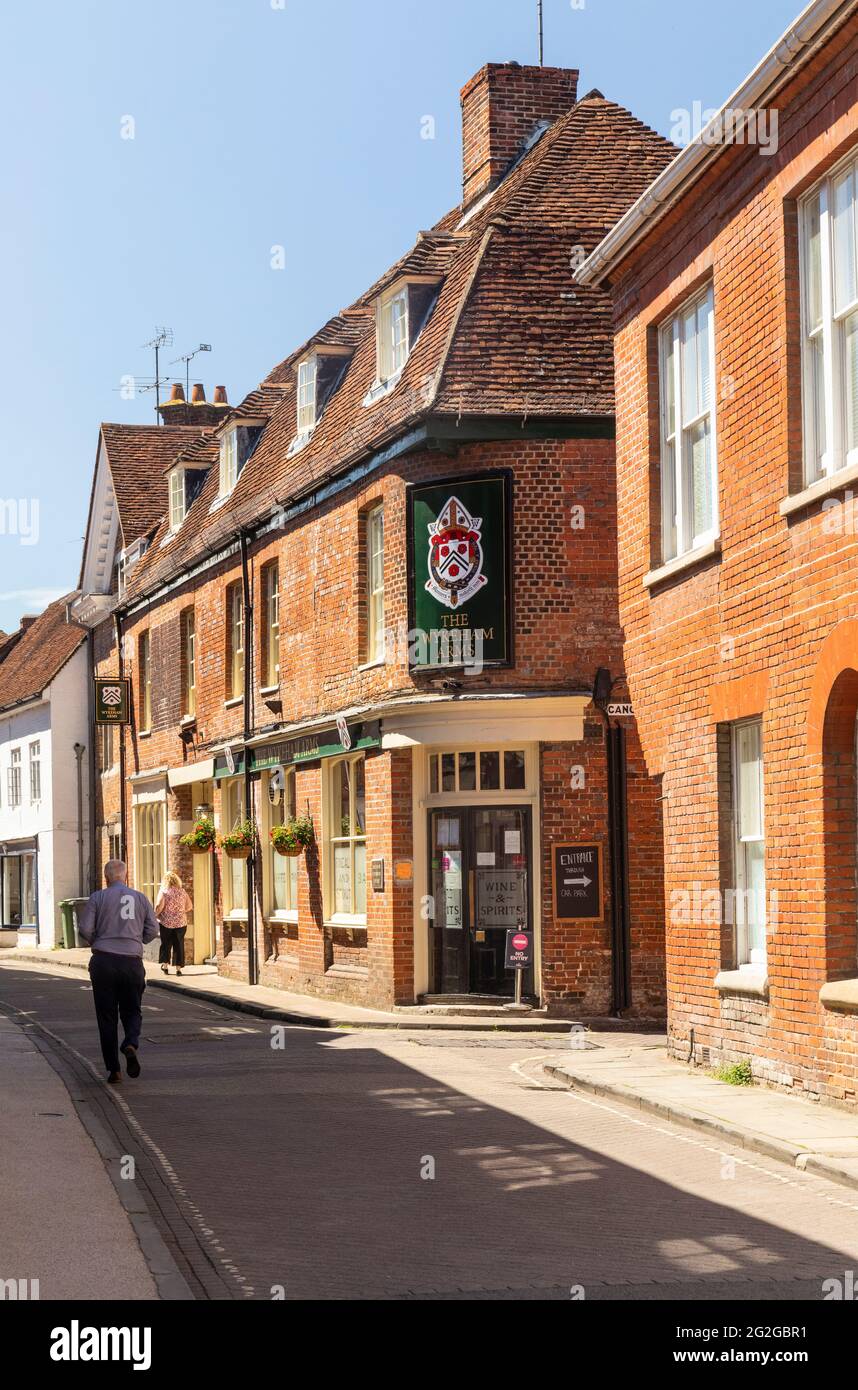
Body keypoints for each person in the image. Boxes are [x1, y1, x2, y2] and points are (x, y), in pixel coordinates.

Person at [78, 860, 158, 1085]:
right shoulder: (140, 898)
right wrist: (136, 940)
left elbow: (84, 928)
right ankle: (130, 1043)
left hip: (104, 961)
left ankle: (114, 1071)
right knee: (132, 1010)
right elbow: (153, 929)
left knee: (107, 1017)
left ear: (106, 877)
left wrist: (98, 940)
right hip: (131, 962)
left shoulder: (97, 898)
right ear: (126, 876)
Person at [155, 871, 192, 977]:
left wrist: (155, 915)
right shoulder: (182, 892)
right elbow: (189, 906)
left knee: (166, 944)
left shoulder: (164, 891)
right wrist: (180, 911)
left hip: (166, 923)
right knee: (179, 945)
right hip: (181, 923)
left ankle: (165, 966)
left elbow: (159, 906)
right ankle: (178, 969)